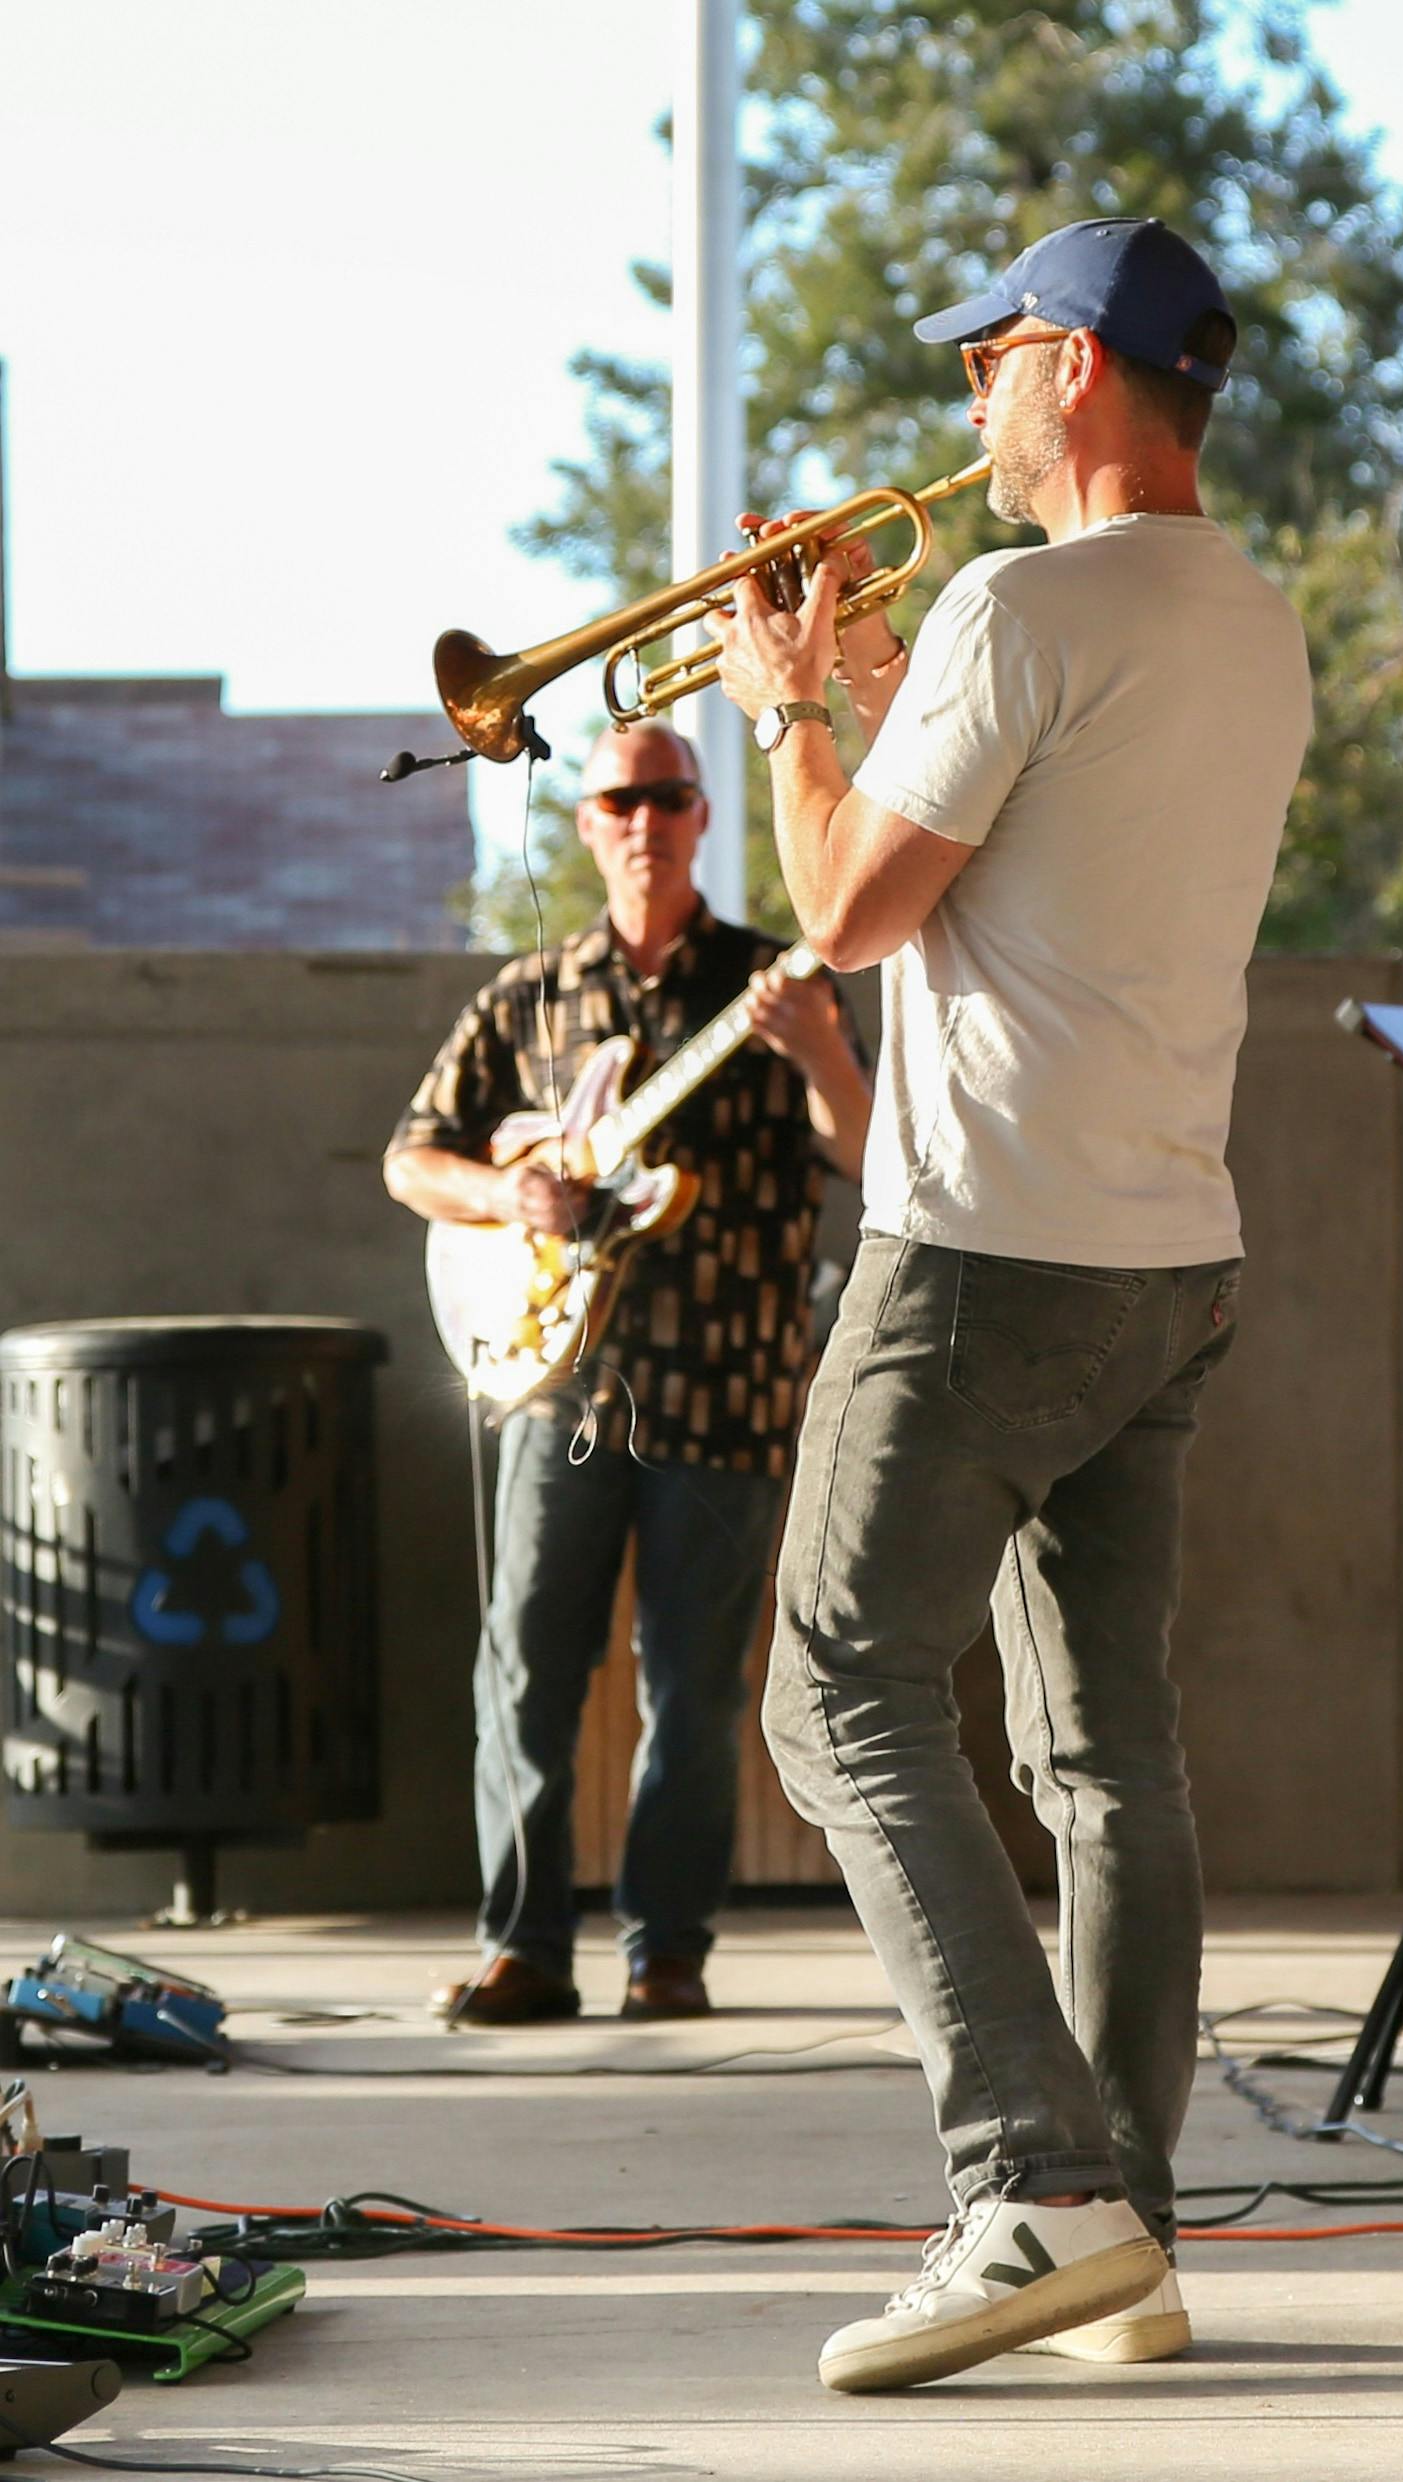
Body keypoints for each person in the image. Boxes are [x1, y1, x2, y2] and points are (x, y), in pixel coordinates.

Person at [705, 215, 1311, 2395]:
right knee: (1104, 1752)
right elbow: (1022, 845)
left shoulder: (1013, 601)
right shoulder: (1245, 622)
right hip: (1166, 1249)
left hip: (977, 1247)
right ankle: (1122, 2231)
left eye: (985, 363)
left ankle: (1027, 2182)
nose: (964, 406)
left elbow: (856, 909)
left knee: (837, 1690)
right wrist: (869, 695)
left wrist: (790, 707)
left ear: (1066, 363)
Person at [384, 722, 871, 2027]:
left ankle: (669, 1952)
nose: (645, 819)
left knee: (692, 1691)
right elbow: (411, 1159)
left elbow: (869, 1150)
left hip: (728, 1385)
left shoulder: (778, 978)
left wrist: (818, 1045)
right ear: (588, 825)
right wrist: (512, 1191)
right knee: (526, 1670)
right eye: (619, 800)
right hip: (559, 1385)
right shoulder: (529, 995)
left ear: (703, 817)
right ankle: (527, 1949)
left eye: (668, 796)